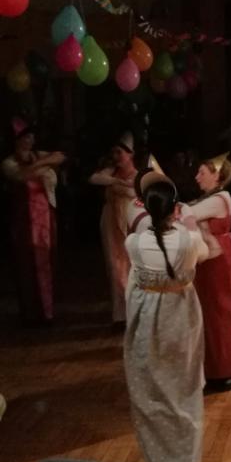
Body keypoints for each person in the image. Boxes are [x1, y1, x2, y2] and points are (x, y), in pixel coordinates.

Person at [124, 175, 209, 462]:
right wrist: (187, 224)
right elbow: (204, 253)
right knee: (184, 385)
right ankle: (184, 460)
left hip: (146, 318)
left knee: (149, 388)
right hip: (181, 316)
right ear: (175, 209)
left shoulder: (134, 243)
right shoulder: (189, 240)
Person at [189, 153, 231, 390]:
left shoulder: (220, 199)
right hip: (211, 260)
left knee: (219, 311)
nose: (197, 177)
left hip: (217, 261)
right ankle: (216, 369)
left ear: (217, 176)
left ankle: (227, 370)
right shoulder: (209, 199)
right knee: (211, 312)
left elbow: (187, 214)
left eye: (202, 173)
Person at [2, 119, 65, 324]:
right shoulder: (9, 163)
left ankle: (48, 311)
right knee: (26, 264)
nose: (29, 140)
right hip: (24, 219)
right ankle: (31, 312)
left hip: (44, 215)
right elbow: (21, 175)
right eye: (25, 137)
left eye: (31, 136)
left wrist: (41, 163)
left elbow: (60, 156)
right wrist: (43, 164)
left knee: (46, 261)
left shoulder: (38, 155)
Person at [89, 131, 137, 324]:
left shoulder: (138, 175)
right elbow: (94, 178)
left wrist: (124, 187)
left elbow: (136, 192)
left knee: (130, 264)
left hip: (128, 219)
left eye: (120, 153)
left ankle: (133, 310)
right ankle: (119, 314)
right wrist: (118, 182)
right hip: (110, 220)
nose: (116, 157)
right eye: (114, 153)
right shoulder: (111, 172)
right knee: (114, 264)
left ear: (130, 154)